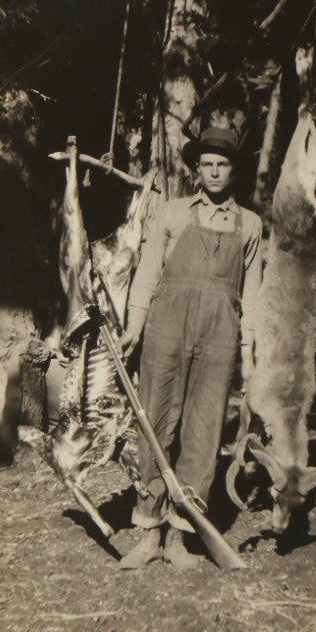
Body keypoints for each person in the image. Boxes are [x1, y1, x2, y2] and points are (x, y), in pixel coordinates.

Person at [118, 125, 263, 570]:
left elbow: (252, 293)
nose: (214, 172)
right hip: (167, 327)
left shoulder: (251, 224)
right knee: (156, 421)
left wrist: (249, 348)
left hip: (220, 333)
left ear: (233, 171)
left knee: (203, 430)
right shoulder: (171, 213)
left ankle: (182, 534)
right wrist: (134, 326)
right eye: (207, 164)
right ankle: (148, 532)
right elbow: (146, 275)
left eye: (222, 165)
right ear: (196, 169)